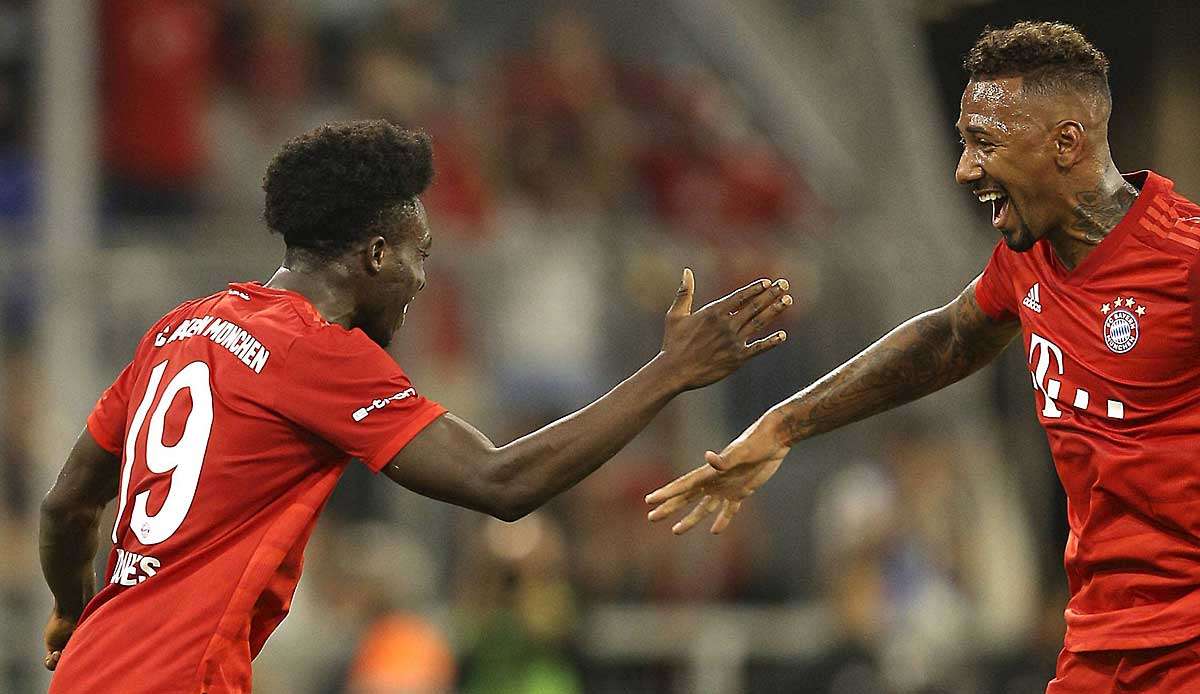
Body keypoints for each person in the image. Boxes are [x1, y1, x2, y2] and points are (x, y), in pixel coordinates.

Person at [39, 120, 793, 693]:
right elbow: (502, 482)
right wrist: (669, 373)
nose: (423, 280)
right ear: (374, 257)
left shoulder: (180, 326)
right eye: (418, 254)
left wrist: (77, 615)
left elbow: (66, 507)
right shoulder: (318, 352)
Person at [646, 20, 1200, 692]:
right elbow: (948, 338)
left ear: (1064, 143)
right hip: (1097, 658)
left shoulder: (1182, 262)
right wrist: (784, 424)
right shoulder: (1030, 265)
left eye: (985, 145)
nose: (966, 170)